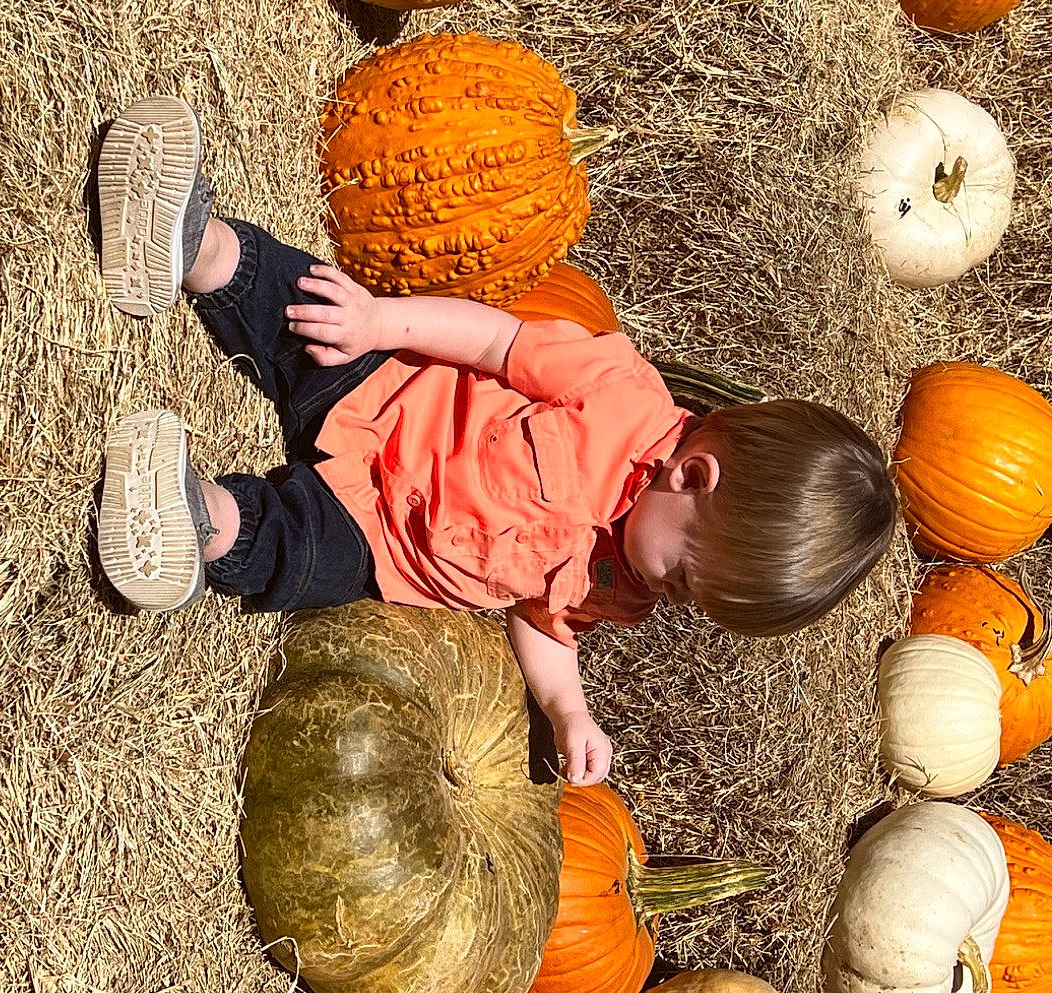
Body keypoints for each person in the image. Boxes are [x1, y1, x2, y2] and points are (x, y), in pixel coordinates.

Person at [92, 95, 898, 784]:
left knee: (300, 556)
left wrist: (567, 708)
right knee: (302, 309)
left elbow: (542, 623)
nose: (671, 597)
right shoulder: (617, 389)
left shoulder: (622, 587)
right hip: (385, 392)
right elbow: (493, 343)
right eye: (687, 572)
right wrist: (381, 319)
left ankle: (193, 517)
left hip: (386, 546)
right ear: (692, 475)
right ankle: (194, 244)